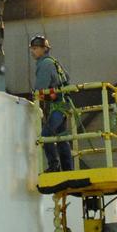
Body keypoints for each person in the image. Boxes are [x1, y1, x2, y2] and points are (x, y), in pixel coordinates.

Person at [30, 35, 72, 172]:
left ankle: (54, 165)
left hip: (58, 106)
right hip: (64, 104)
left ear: (44, 49)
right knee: (61, 138)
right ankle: (68, 169)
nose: (33, 51)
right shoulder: (53, 62)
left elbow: (39, 89)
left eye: (35, 48)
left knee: (46, 135)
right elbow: (67, 78)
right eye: (32, 48)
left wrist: (38, 95)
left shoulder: (45, 64)